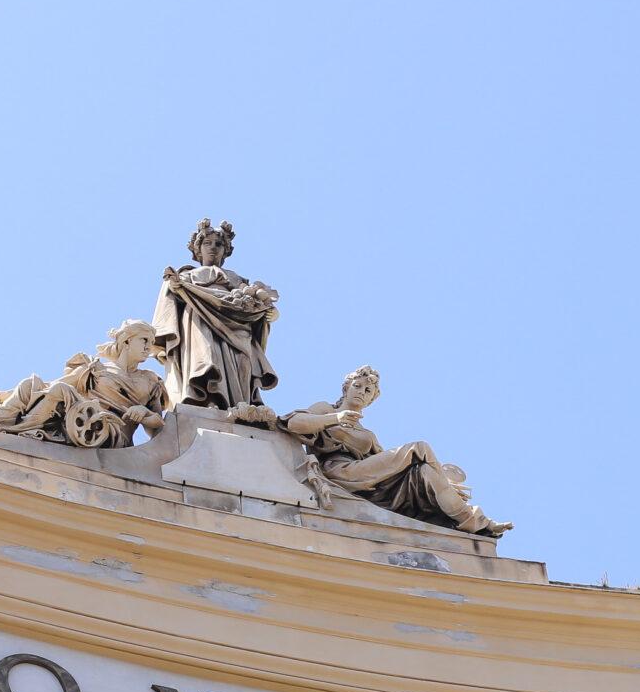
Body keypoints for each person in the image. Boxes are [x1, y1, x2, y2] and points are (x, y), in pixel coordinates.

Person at [274, 367, 509, 537]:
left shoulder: (368, 435)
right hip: (339, 470)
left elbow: (389, 465)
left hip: (365, 479)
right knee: (419, 448)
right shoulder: (326, 408)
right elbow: (293, 422)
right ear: (346, 388)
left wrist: (437, 478)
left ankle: (469, 521)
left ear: (370, 400)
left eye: (368, 390)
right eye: (357, 386)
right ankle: (471, 516)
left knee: (424, 471)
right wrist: (335, 418)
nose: (361, 391)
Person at [0, 319, 167, 447]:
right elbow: (52, 385)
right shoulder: (97, 368)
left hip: (109, 432)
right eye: (144, 340)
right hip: (84, 417)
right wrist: (3, 395)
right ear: (126, 341)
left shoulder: (151, 380)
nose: (148, 347)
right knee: (30, 384)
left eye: (151, 342)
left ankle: (17, 431)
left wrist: (144, 413)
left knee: (60, 390)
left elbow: (158, 427)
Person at [151, 220, 279, 415]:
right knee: (207, 358)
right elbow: (171, 300)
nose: (213, 247)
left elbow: (256, 304)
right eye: (207, 243)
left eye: (219, 244)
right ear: (198, 249)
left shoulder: (238, 279)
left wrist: (268, 314)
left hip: (237, 323)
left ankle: (241, 405)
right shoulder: (187, 275)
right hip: (200, 316)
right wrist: (176, 286)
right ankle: (209, 400)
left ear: (225, 250)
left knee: (243, 362)